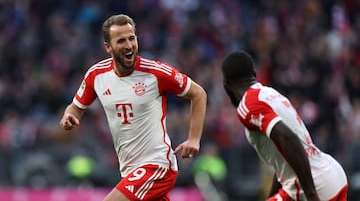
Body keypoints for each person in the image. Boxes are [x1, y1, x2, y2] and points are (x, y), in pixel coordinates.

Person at [59, 14, 207, 201]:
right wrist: (69, 116)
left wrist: (194, 138)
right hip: (129, 171)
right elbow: (75, 108)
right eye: (121, 41)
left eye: (132, 38)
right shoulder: (96, 76)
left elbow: (198, 93)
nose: (129, 45)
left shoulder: (156, 73)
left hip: (157, 166)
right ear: (108, 47)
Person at [221, 51, 348, 201]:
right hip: (332, 173)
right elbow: (283, 160)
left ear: (226, 83)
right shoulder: (270, 94)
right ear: (254, 74)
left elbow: (289, 138)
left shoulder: (247, 106)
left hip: (313, 185)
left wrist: (311, 195)